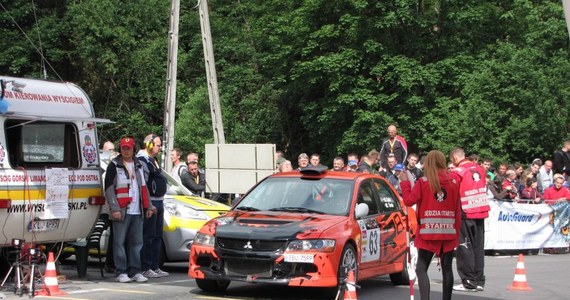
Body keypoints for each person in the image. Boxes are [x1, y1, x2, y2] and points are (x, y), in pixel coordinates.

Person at [400, 150, 461, 300]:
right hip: (448, 233)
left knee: (421, 269)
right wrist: (456, 234)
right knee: (447, 269)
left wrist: (404, 182)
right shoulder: (454, 182)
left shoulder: (424, 182)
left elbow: (408, 201)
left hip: (428, 234)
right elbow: (458, 210)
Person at [104, 137, 154, 283]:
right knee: (119, 243)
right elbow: (108, 188)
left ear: (133, 149)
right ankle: (121, 271)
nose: (125, 151)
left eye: (128, 148)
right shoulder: (114, 165)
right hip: (121, 210)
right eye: (123, 148)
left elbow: (144, 188)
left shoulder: (139, 165)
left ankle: (135, 271)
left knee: (137, 243)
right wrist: (115, 208)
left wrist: (149, 206)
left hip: (137, 211)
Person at [450, 147, 490, 292]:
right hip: (480, 210)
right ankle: (479, 280)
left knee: (464, 246)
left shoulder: (457, 172)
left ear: (454, 158)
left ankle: (468, 281)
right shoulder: (480, 169)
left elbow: (452, 191)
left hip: (465, 212)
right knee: (478, 247)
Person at [137, 134, 170, 278]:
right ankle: (146, 266)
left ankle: (155, 265)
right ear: (149, 145)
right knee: (148, 235)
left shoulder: (153, 160)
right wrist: (148, 204)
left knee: (157, 235)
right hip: (151, 200)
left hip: (159, 200)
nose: (160, 148)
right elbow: (143, 183)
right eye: (157, 145)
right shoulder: (142, 160)